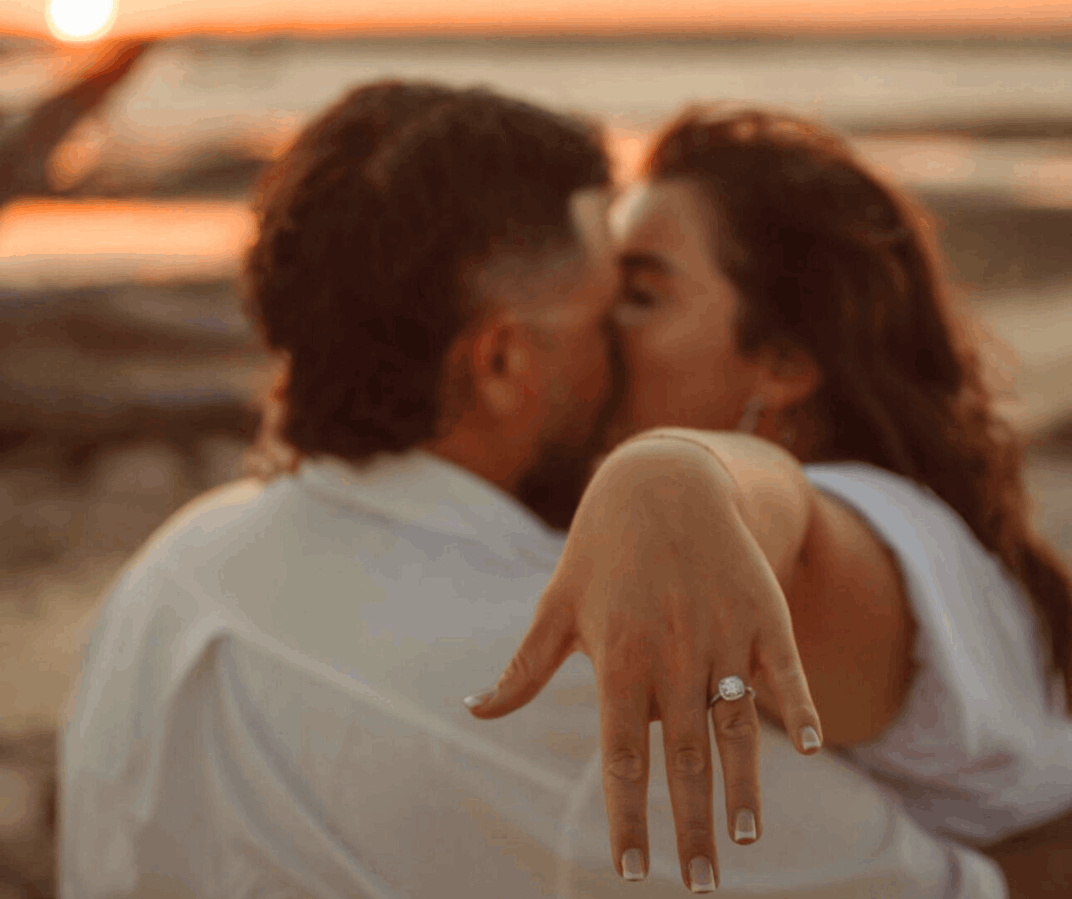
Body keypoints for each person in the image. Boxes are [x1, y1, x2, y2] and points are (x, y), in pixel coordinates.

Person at [59, 82, 1004, 898]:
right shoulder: (565, 686)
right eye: (608, 309)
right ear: (505, 358)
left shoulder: (172, 567)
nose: (621, 349)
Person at [468, 106, 1072, 898]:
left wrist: (674, 477)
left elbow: (790, 519)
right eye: (604, 288)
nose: (597, 322)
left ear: (783, 362)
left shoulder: (873, 524)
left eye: (642, 294)